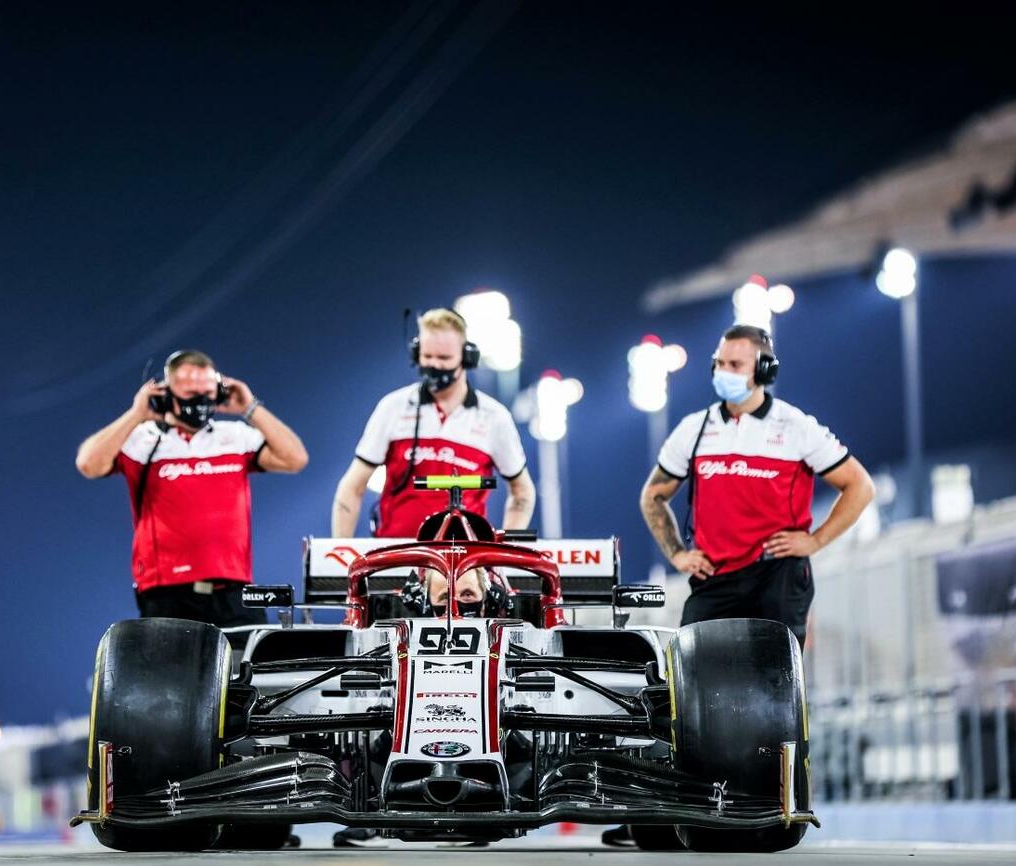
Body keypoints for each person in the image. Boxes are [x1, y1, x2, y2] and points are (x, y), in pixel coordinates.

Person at [602, 324, 876, 850]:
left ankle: (781, 806)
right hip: (715, 577)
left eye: (734, 365)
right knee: (682, 694)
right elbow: (652, 497)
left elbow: (858, 486)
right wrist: (680, 553)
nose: (721, 373)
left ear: (763, 371)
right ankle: (667, 809)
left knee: (779, 698)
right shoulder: (695, 429)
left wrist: (814, 540)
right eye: (718, 363)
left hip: (778, 575)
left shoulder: (796, 427)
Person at [76, 349, 308, 626]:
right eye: (189, 392)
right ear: (164, 394)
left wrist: (251, 408)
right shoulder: (142, 440)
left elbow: (295, 459)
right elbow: (89, 464)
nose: (200, 400)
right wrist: (136, 414)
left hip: (233, 590)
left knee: (248, 666)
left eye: (207, 391)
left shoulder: (235, 436)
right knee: (170, 670)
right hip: (167, 592)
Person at [331, 308, 536, 539]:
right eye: (427, 357)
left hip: (462, 561)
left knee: (456, 577)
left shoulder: (494, 417)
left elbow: (522, 491)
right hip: (396, 556)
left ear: (467, 358)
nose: (434, 365)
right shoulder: (393, 407)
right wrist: (339, 553)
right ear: (416, 353)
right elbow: (352, 486)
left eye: (444, 358)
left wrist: (506, 553)